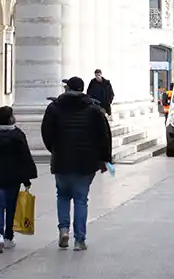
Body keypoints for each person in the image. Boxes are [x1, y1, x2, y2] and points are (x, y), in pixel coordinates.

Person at [41, 75, 112, 251]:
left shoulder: (54, 108)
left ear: (67, 88)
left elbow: (46, 133)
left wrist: (55, 149)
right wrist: (105, 158)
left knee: (63, 196)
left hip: (62, 160)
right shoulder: (94, 110)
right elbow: (104, 136)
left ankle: (64, 229)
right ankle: (79, 239)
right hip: (85, 162)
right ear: (83, 89)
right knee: (81, 199)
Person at [0, 106, 38, 253]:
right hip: (13, 178)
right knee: (11, 207)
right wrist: (26, 180)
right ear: (10, 118)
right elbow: (24, 158)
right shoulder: (18, 136)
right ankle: (8, 237)